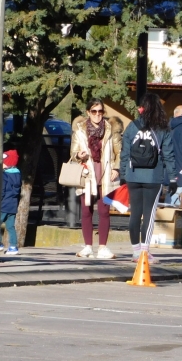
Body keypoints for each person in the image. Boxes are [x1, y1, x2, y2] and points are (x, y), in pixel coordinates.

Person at [120, 92, 177, 260]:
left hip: (133, 175)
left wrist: (123, 173)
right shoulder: (162, 128)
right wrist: (173, 178)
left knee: (135, 213)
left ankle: (135, 250)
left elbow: (125, 152)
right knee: (149, 214)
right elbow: (168, 155)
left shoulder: (132, 126)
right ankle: (145, 251)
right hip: (154, 176)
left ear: (142, 108)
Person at [71, 98, 123, 259]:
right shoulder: (79, 130)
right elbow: (72, 153)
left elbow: (119, 152)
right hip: (87, 173)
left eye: (100, 111)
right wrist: (78, 155)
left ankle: (102, 247)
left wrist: (116, 168)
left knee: (104, 211)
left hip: (106, 173)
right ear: (88, 112)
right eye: (94, 111)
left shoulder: (110, 128)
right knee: (86, 211)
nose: (97, 115)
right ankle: (87, 247)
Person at [1, 150, 21, 256]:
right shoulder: (17, 175)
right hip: (13, 205)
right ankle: (13, 247)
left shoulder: (4, 176)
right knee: (10, 226)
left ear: (7, 163)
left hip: (3, 204)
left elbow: (1, 191)